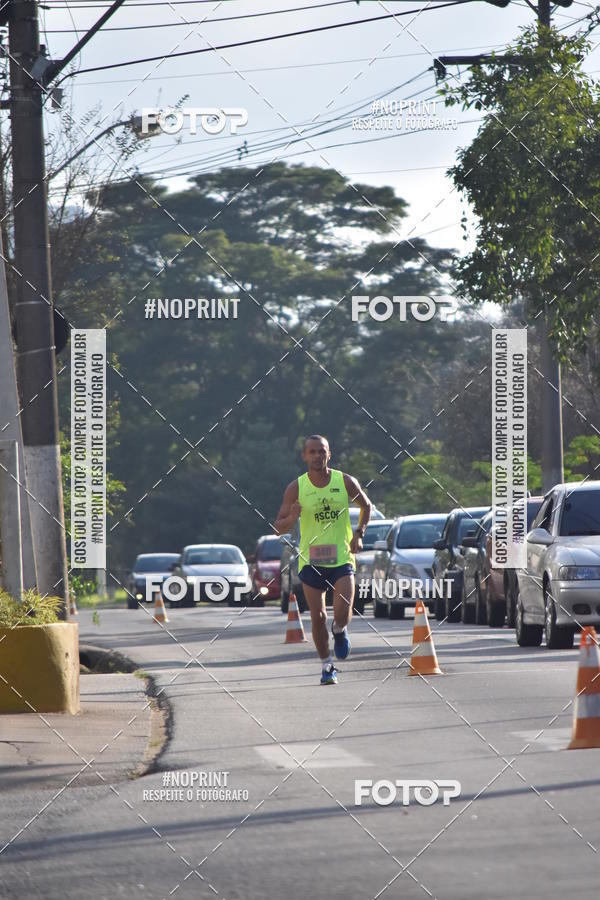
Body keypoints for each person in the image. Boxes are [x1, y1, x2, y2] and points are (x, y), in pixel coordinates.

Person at [274, 435, 372, 685]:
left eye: (322, 451)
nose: (318, 456)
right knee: (317, 616)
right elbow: (278, 528)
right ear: (304, 456)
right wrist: (292, 517)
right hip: (311, 560)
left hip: (341, 557)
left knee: (342, 612)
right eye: (313, 452)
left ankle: (339, 631)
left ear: (330, 454)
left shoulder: (345, 481)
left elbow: (366, 506)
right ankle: (327, 666)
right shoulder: (296, 488)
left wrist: (359, 534)